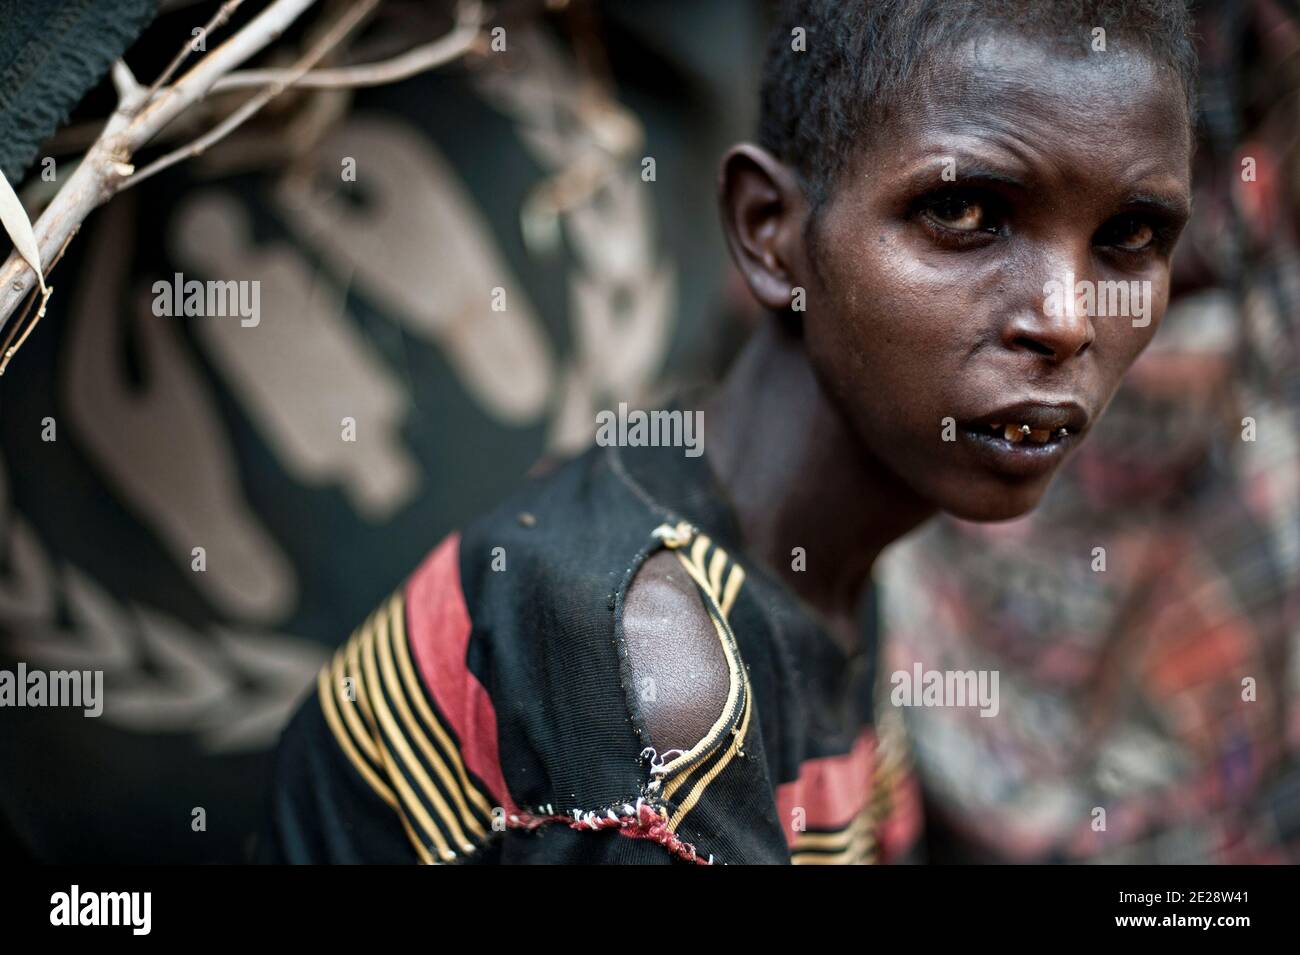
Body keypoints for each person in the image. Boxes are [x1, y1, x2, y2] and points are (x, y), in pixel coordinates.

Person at [263, 0, 1197, 864]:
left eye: (1130, 234)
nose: (1069, 318)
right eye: (962, 211)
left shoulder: (795, 543)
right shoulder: (655, 661)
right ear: (769, 231)